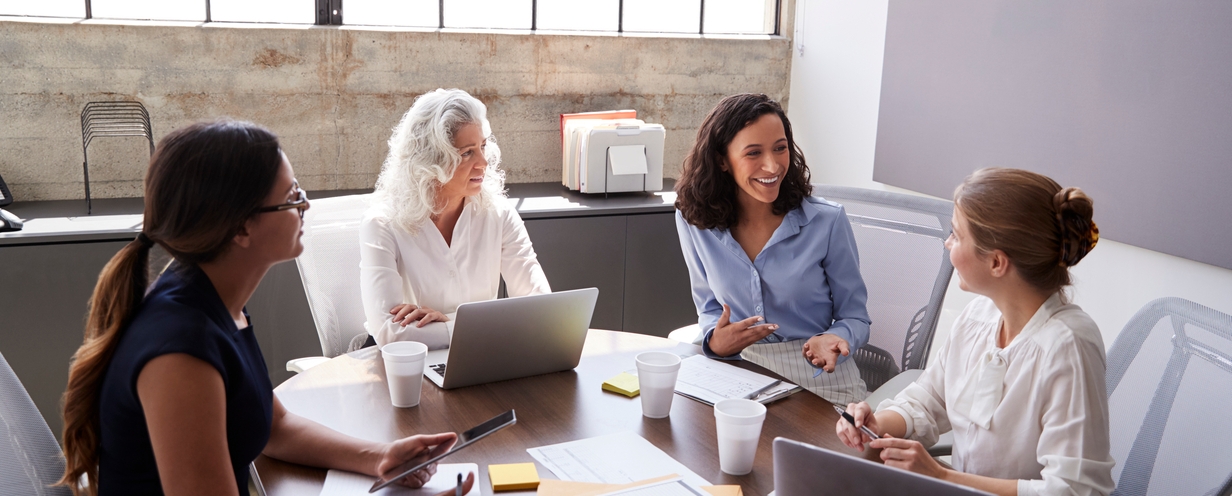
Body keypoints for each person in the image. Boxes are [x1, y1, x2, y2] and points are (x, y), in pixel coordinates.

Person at [58, 121, 475, 496]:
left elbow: (274, 427)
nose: (305, 206)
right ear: (241, 227)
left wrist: (379, 456)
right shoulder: (180, 350)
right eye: (292, 196)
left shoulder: (217, 305)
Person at [835, 168, 1114, 496]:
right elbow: (929, 400)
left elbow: (1073, 490)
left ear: (997, 263)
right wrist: (877, 422)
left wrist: (941, 476)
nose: (946, 243)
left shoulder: (1068, 347)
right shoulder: (978, 317)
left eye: (956, 234)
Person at [674, 93, 872, 404]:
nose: (772, 165)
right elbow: (710, 307)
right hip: (739, 373)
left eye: (780, 148)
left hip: (818, 377)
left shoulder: (827, 222)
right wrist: (716, 341)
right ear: (722, 160)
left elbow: (856, 317)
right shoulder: (694, 222)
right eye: (754, 153)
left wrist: (836, 338)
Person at [360, 88, 550, 347]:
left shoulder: (499, 214)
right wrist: (486, 326)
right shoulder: (382, 224)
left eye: (483, 146)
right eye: (467, 152)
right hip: (406, 368)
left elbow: (541, 308)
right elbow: (390, 334)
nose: (483, 161)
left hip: (477, 358)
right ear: (431, 159)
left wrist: (449, 323)